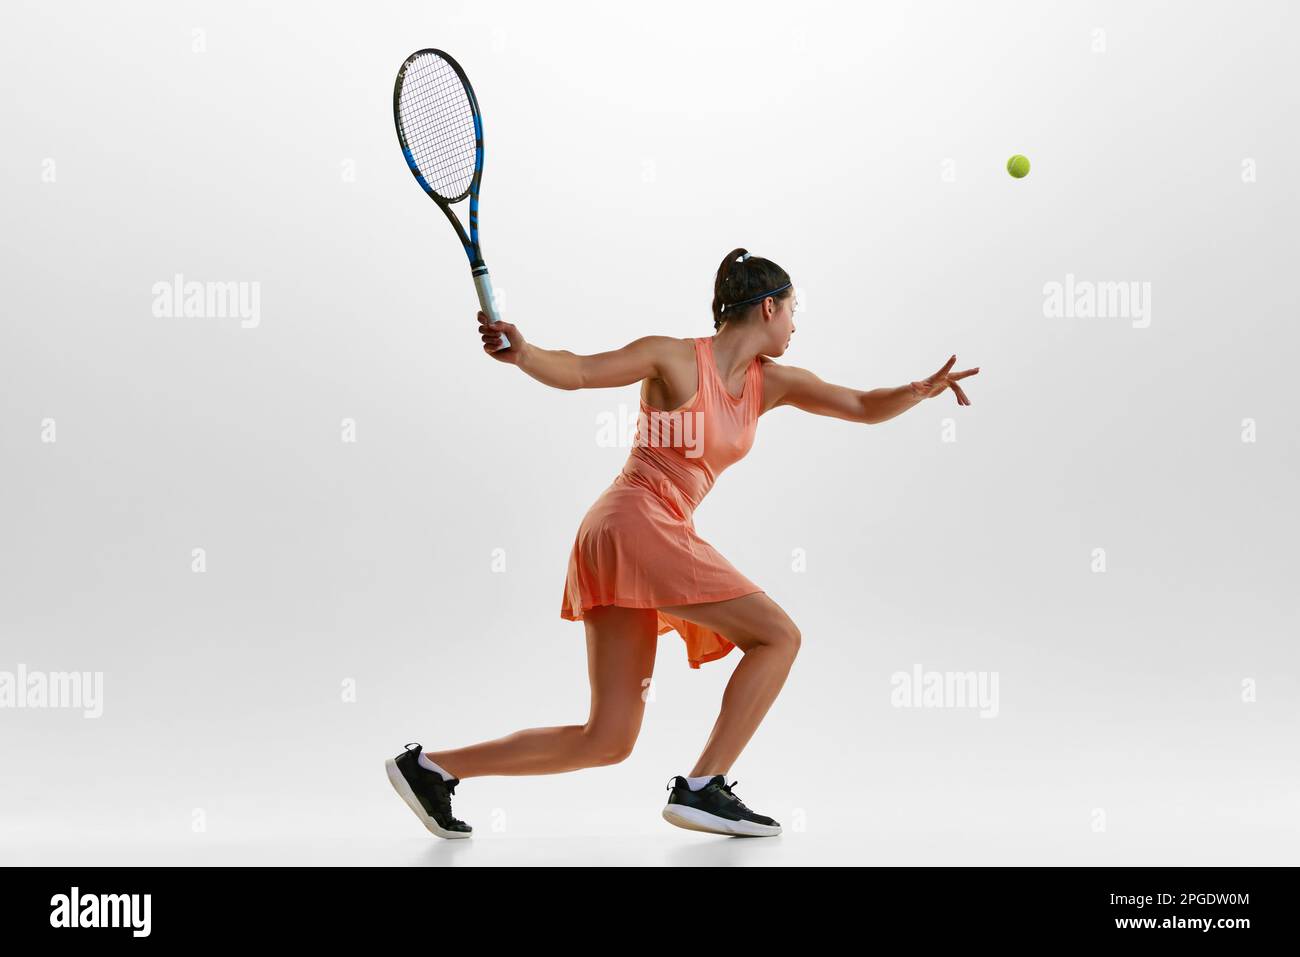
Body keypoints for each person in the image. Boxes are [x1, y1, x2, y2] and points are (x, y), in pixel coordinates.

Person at [386, 248, 979, 838]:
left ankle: (432, 768)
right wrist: (525, 354)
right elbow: (582, 371)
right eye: (793, 309)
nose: (796, 324)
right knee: (778, 636)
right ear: (768, 306)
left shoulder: (771, 384)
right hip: (635, 519)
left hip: (629, 534)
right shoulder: (670, 357)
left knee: (608, 739)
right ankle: (702, 787)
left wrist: (918, 390)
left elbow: (860, 405)